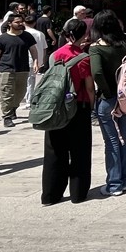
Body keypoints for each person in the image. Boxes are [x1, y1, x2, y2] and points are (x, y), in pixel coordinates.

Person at [42, 18, 95, 205]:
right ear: (85, 35)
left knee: (54, 150)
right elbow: (89, 87)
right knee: (79, 151)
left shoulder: (53, 55)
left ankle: (50, 195)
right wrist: (92, 105)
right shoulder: (83, 58)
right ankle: (77, 193)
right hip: (77, 107)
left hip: (55, 107)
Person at [90, 10, 126, 197]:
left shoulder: (96, 47)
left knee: (111, 141)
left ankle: (114, 183)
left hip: (108, 99)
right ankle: (124, 180)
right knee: (124, 137)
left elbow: (98, 73)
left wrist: (108, 93)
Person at [0, 14, 39, 128]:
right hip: (6, 68)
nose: (20, 24)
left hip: (22, 68)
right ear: (10, 23)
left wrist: (35, 62)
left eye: (21, 22)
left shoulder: (27, 36)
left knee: (21, 92)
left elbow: (33, 49)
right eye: (17, 22)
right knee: (7, 93)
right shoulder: (2, 38)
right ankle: (7, 116)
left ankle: (13, 108)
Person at [22, 13, 48, 107]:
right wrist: (43, 60)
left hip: (27, 60)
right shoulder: (40, 34)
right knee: (31, 80)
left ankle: (29, 101)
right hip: (38, 60)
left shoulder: (23, 34)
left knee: (28, 81)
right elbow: (45, 48)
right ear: (34, 23)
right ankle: (30, 99)